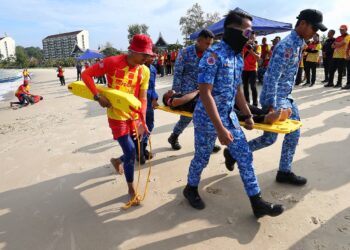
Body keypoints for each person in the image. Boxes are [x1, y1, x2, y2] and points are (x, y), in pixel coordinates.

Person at [183, 10, 284, 218]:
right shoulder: (213, 56)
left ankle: (257, 203)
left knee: (245, 156)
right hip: (207, 119)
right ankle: (190, 188)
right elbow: (205, 93)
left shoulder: (238, 56)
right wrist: (220, 129)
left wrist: (247, 115)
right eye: (248, 33)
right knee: (202, 157)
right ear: (232, 30)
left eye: (252, 33)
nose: (251, 37)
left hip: (229, 117)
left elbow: (237, 89)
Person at [229, 9, 327, 186]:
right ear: (303, 23)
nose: (316, 32)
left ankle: (282, 171)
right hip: (276, 98)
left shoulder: (298, 43)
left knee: (281, 135)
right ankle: (240, 155)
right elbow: (271, 77)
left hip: (286, 96)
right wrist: (271, 106)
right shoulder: (287, 45)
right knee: (277, 136)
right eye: (314, 27)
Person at [81, 34, 153, 205]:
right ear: (133, 51)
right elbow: (86, 75)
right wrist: (98, 96)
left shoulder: (145, 71)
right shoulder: (112, 62)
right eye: (144, 54)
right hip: (116, 115)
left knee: (134, 150)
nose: (147, 58)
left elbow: (143, 98)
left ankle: (117, 161)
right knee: (130, 152)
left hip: (133, 116)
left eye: (148, 54)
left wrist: (142, 121)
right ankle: (131, 188)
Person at [168, 29, 220, 153]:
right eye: (207, 43)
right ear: (199, 41)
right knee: (187, 118)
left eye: (211, 44)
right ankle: (174, 136)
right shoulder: (185, 52)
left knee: (208, 115)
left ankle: (209, 142)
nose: (209, 46)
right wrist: (175, 91)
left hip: (205, 89)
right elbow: (178, 72)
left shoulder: (210, 53)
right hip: (187, 90)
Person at [162, 89, 290, 124]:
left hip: (209, 100)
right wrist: (197, 91)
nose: (169, 90)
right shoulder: (172, 101)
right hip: (203, 107)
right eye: (167, 93)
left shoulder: (179, 94)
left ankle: (265, 112)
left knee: (239, 103)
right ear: (167, 99)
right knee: (230, 112)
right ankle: (264, 119)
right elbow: (182, 101)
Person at [242, 32, 261, 106]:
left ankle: (255, 103)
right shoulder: (243, 46)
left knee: (253, 86)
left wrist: (250, 50)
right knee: (245, 86)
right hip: (244, 69)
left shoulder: (257, 47)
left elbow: (258, 57)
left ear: (255, 38)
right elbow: (241, 57)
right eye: (250, 38)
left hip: (253, 69)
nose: (251, 39)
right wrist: (246, 46)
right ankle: (247, 103)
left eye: (253, 38)